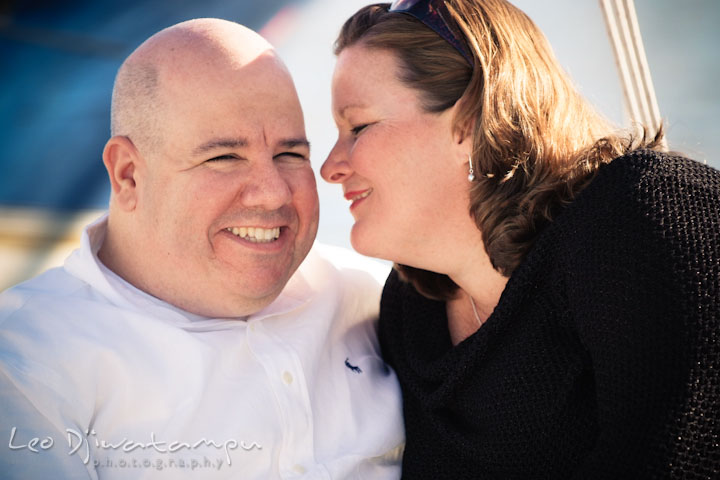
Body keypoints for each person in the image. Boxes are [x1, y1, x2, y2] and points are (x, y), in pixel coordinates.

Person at [320, 1, 720, 478]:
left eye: (358, 127)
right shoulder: (411, 316)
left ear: (468, 121)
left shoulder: (649, 212)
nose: (329, 167)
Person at [0, 18, 404, 479]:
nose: (273, 194)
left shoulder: (376, 300)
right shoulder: (26, 363)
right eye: (224, 157)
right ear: (128, 174)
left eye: (291, 154)